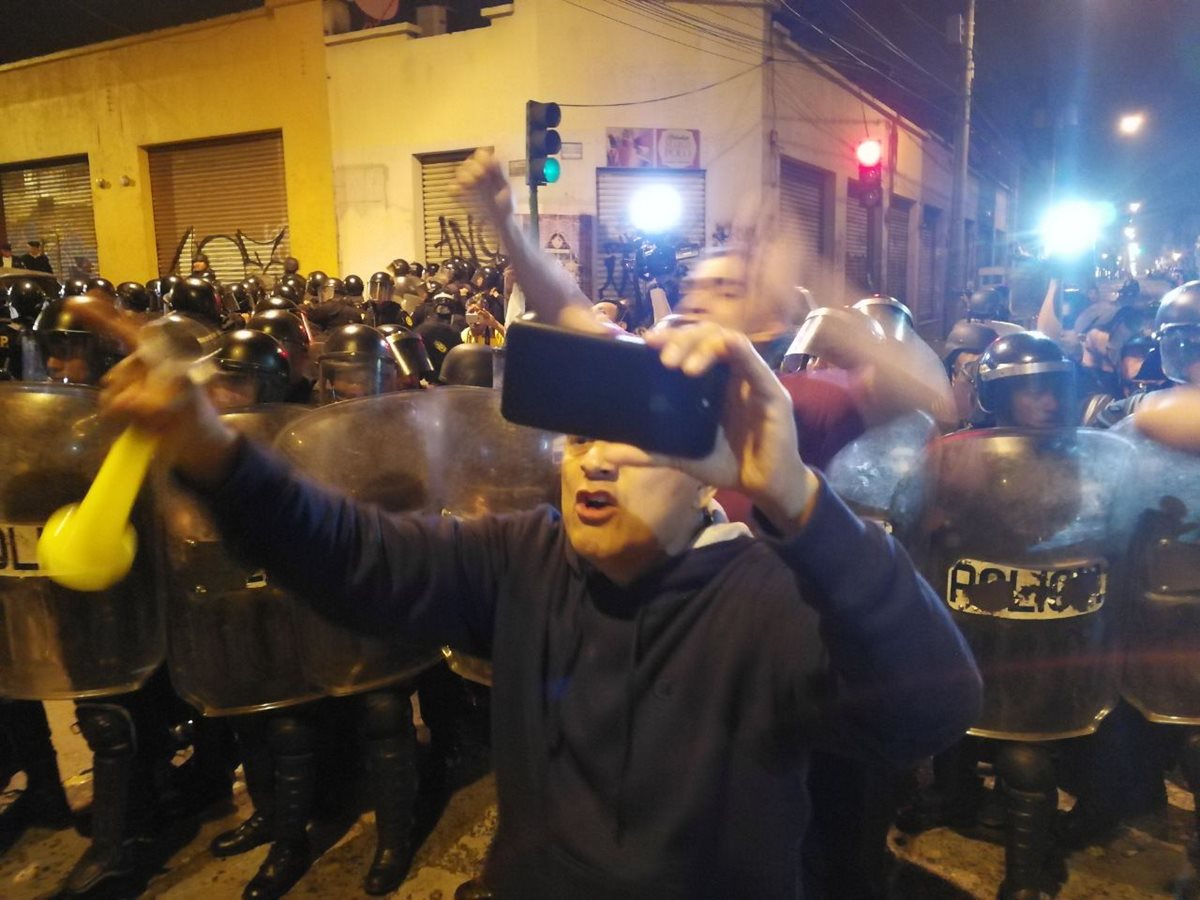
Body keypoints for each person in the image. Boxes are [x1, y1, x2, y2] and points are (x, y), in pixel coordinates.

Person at [94, 302, 981, 899]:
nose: (594, 458)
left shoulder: (778, 597)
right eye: (583, 435)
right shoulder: (520, 558)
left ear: (713, 477)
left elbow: (932, 706)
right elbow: (351, 557)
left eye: (633, 440)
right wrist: (212, 452)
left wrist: (797, 499)